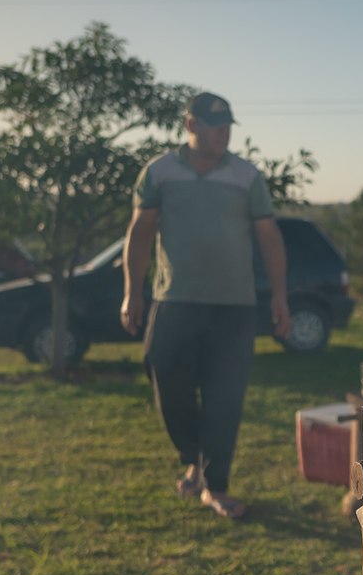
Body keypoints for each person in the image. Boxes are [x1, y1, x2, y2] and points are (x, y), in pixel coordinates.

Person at [120, 92, 290, 519]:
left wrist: (280, 296)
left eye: (228, 126)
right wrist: (132, 291)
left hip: (234, 306)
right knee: (164, 377)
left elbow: (269, 237)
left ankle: (215, 486)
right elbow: (140, 233)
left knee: (224, 397)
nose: (223, 133)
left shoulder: (246, 176)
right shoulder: (159, 171)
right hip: (174, 299)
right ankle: (193, 457)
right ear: (191, 125)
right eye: (215, 125)